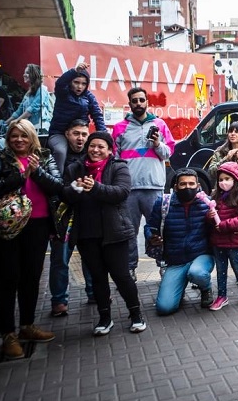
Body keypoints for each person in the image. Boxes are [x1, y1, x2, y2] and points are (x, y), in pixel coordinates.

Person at [0, 120, 63, 359]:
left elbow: (58, 186)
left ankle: (27, 326)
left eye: (23, 136)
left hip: (38, 225)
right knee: (7, 278)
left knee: (31, 277)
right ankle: (8, 334)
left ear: (32, 138)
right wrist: (19, 178)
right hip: (7, 227)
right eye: (13, 136)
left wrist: (37, 172)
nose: (18, 140)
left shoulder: (45, 156)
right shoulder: (0, 158)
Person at [62, 132, 145, 335]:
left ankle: (136, 315)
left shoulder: (119, 166)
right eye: (92, 146)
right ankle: (104, 318)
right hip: (86, 233)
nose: (95, 150)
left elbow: (122, 192)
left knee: (121, 276)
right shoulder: (75, 168)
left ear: (109, 150)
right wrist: (75, 188)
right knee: (97, 278)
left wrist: (96, 187)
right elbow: (64, 194)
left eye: (101, 147)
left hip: (115, 231)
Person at [111, 87, 176, 283]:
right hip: (128, 189)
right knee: (129, 231)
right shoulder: (119, 128)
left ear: (147, 102)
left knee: (158, 229)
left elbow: (169, 153)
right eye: (134, 101)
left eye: (141, 100)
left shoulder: (159, 124)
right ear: (129, 104)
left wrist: (157, 144)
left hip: (154, 186)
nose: (138, 103)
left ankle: (163, 264)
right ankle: (130, 268)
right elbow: (114, 158)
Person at [144, 169, 215, 315]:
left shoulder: (206, 203)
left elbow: (225, 220)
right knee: (165, 308)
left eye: (191, 184)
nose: (187, 187)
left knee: (197, 273)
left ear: (198, 186)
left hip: (201, 256)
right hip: (176, 261)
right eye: (183, 184)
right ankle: (179, 286)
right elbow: (149, 226)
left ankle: (206, 288)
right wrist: (151, 235)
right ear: (176, 187)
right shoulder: (163, 203)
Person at [48, 119, 95, 317]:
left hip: (87, 213)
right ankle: (59, 301)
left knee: (91, 257)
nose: (80, 138)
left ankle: (94, 293)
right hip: (63, 214)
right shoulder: (56, 156)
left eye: (84, 134)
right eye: (76, 133)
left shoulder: (91, 155)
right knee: (61, 259)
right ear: (67, 134)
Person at [207, 161, 238, 311]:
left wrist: (224, 225)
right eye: (220, 179)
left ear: (235, 178)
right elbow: (208, 217)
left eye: (227, 179)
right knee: (221, 270)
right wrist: (208, 216)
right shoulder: (215, 195)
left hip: (235, 240)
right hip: (218, 241)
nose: (223, 182)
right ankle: (222, 296)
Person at [46, 63, 107, 172]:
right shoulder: (63, 93)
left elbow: (97, 115)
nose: (80, 86)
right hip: (59, 133)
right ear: (70, 82)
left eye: (83, 84)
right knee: (60, 151)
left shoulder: (89, 97)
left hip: (80, 133)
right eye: (76, 82)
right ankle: (57, 179)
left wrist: (104, 136)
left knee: (95, 151)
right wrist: (74, 71)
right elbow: (60, 83)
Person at [208, 121, 238, 187]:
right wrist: (226, 159)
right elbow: (211, 173)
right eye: (230, 131)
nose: (232, 134)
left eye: (236, 132)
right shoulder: (220, 151)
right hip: (222, 192)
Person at [7, 64, 52, 132]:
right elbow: (19, 110)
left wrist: (16, 121)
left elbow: (32, 109)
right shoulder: (29, 92)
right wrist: (6, 122)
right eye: (24, 73)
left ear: (34, 75)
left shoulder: (42, 90)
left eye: (27, 73)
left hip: (40, 128)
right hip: (30, 128)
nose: (24, 75)